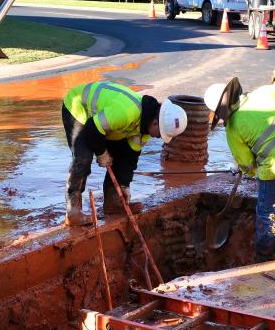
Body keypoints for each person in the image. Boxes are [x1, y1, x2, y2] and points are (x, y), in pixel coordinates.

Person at [204, 71, 275, 260]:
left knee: (266, 213)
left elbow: (248, 167)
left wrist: (247, 166)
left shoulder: (232, 128)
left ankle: (265, 259)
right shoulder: (267, 91)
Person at [62, 81, 187, 226]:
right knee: (83, 158)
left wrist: (124, 187)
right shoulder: (126, 112)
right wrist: (102, 152)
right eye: (160, 134)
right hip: (79, 108)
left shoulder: (145, 131)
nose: (158, 137)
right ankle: (73, 212)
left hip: (102, 121)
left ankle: (114, 204)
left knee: (120, 156)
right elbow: (92, 128)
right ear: (155, 123)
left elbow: (128, 159)